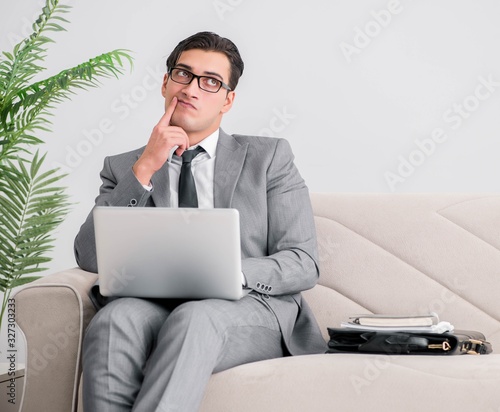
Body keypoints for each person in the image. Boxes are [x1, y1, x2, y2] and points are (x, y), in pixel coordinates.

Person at [74, 31, 326, 412]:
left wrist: (228, 272)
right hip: (155, 303)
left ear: (228, 100)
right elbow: (90, 256)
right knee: (115, 319)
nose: (191, 89)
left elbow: (303, 262)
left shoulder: (269, 157)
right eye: (183, 74)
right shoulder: (123, 166)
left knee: (196, 316)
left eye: (210, 82)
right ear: (165, 83)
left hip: (248, 305)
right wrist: (144, 169)